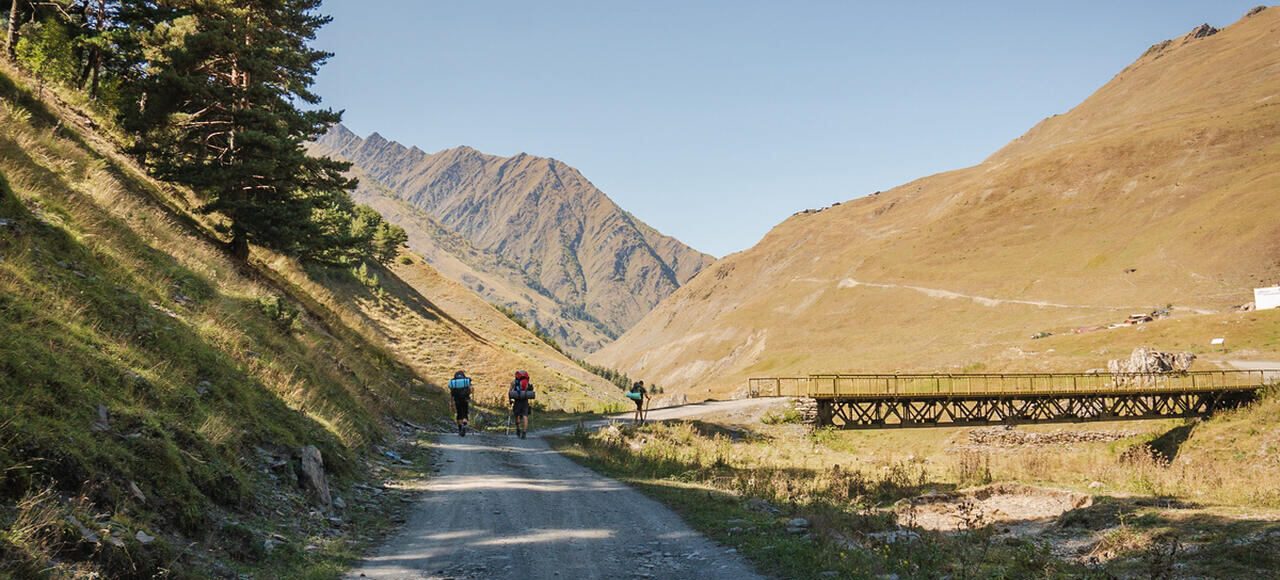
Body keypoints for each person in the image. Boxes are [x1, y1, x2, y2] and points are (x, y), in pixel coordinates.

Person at [509, 370, 535, 439]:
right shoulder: (528, 383)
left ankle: (518, 429)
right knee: (525, 416)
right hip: (525, 402)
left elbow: (510, 392)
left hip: (517, 401)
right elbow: (531, 391)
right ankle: (524, 433)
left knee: (517, 416)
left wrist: (510, 400)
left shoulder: (514, 382)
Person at [448, 370, 472, 436]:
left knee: (459, 413)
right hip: (465, 399)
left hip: (457, 400)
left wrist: (451, 402)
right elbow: (470, 390)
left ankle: (460, 428)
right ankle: (464, 424)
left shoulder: (453, 382)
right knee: (465, 412)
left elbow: (451, 393)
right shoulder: (465, 381)